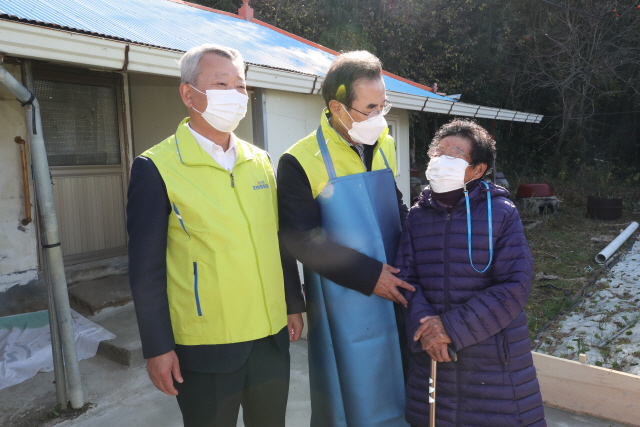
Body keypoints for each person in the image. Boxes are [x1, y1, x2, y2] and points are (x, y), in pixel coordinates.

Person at [126, 43, 305, 427]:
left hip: (270, 339)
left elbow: (277, 239)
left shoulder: (259, 161)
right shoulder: (156, 167)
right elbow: (145, 269)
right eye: (222, 84)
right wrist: (157, 347)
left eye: (241, 86)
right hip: (206, 345)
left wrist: (292, 302)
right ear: (188, 94)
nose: (236, 95)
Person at [277, 50, 412, 427]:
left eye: (384, 105)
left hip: (397, 284)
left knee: (402, 381)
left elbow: (397, 208)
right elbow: (299, 238)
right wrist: (371, 276)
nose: (380, 117)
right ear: (337, 107)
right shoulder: (299, 160)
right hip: (343, 296)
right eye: (370, 108)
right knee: (349, 391)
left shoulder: (383, 143)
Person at [395, 119, 546, 427]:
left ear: (478, 170)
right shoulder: (417, 217)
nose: (441, 160)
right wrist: (429, 328)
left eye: (455, 154)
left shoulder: (501, 213)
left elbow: (514, 286)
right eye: (438, 152)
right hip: (433, 354)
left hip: (492, 362)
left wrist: (448, 328)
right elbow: (406, 279)